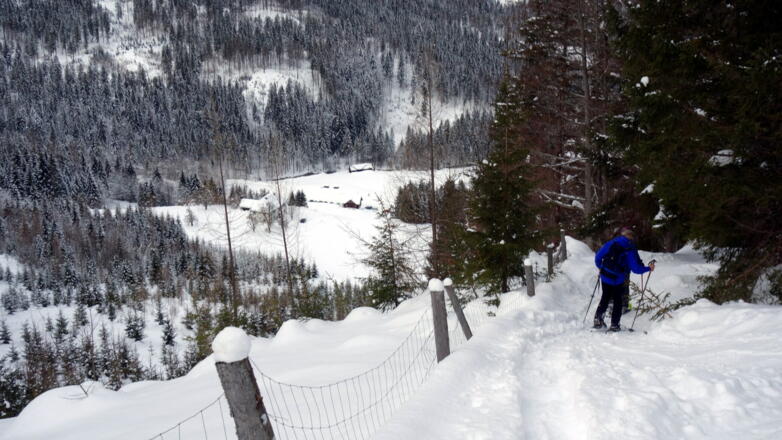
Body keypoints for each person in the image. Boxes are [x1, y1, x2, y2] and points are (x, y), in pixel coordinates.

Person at [593, 227, 654, 331]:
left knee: (605, 297)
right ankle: (614, 325)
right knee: (618, 300)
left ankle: (598, 319)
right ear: (632, 237)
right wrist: (648, 268)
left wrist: (601, 268)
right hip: (618, 278)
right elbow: (635, 269)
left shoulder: (612, 243)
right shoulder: (630, 249)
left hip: (606, 275)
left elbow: (598, 257)